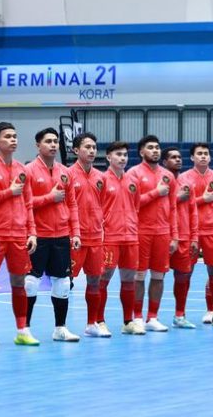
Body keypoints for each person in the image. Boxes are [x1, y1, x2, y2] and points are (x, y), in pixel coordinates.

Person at [0, 122, 40, 346]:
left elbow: (28, 204)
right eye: (8, 136)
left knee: (20, 283)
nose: (14, 140)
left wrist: (32, 233)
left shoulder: (22, 169)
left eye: (15, 136)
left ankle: (22, 330)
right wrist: (8, 192)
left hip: (18, 236)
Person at [25, 127, 81, 342]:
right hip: (38, 236)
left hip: (61, 236)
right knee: (31, 282)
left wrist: (75, 232)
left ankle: (60, 328)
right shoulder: (28, 171)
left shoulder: (65, 172)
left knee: (63, 283)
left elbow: (72, 204)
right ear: (38, 145)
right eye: (48, 141)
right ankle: (25, 329)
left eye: (56, 141)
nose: (53, 145)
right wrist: (49, 197)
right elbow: (25, 204)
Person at [128, 135, 179, 332]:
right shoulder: (133, 174)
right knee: (139, 276)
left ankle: (152, 317)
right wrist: (156, 193)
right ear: (142, 152)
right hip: (141, 232)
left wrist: (174, 236)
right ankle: (138, 316)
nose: (155, 151)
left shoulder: (168, 175)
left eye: (157, 147)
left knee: (159, 277)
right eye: (150, 147)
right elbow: (132, 204)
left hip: (163, 233)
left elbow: (173, 207)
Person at [178, 143, 213, 327]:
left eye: (206, 153)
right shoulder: (184, 178)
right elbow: (180, 204)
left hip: (212, 232)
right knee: (185, 273)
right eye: (199, 154)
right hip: (191, 232)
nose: (203, 156)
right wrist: (203, 199)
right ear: (192, 158)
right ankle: (180, 314)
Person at [68, 132, 109, 338]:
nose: (92, 151)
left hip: (96, 239)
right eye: (87, 147)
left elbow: (102, 206)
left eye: (94, 147)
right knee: (66, 282)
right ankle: (61, 326)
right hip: (74, 239)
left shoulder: (101, 178)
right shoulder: (67, 175)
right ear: (76, 150)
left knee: (95, 281)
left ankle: (92, 323)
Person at [101, 142, 142, 334]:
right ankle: (98, 321)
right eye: (118, 154)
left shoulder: (133, 182)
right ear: (109, 157)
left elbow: (136, 208)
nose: (123, 158)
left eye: (125, 154)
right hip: (110, 237)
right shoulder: (101, 180)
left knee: (129, 280)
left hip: (131, 238)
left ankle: (128, 322)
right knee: (102, 279)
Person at [163, 146, 200, 329]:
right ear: (164, 162)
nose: (178, 160)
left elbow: (193, 212)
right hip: (162, 236)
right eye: (173, 157)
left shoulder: (188, 183)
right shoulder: (158, 181)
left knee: (183, 277)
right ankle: (148, 317)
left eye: (179, 157)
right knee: (156, 277)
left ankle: (179, 315)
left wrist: (194, 237)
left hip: (185, 237)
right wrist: (176, 197)